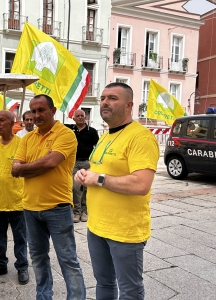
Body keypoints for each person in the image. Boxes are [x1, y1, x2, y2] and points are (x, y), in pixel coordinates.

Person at [74, 82, 159, 300]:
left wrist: (99, 179)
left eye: (112, 98)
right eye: (103, 98)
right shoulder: (105, 136)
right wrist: (85, 175)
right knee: (104, 283)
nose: (104, 102)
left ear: (129, 104)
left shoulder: (141, 137)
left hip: (125, 232)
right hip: (96, 227)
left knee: (130, 290)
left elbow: (141, 184)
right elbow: (98, 169)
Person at [12, 94, 86, 300]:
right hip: (30, 208)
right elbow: (14, 168)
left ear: (53, 111)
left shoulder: (66, 134)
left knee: (68, 260)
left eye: (41, 110)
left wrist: (26, 168)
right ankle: (43, 296)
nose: (36, 115)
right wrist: (32, 167)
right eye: (33, 111)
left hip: (58, 207)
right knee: (38, 258)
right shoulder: (26, 138)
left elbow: (50, 163)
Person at [0, 110, 29, 285]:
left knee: (20, 237)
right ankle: (0, 264)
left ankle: (22, 266)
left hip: (18, 201)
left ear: (13, 122)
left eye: (2, 120)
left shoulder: (22, 144)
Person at [71, 109, 99, 223]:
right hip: (75, 163)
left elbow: (97, 147)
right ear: (74, 118)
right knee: (75, 188)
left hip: (88, 163)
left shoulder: (92, 131)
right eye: (78, 116)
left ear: (85, 117)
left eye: (82, 115)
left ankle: (85, 211)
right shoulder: (70, 130)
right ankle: (76, 212)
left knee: (87, 188)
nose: (80, 117)